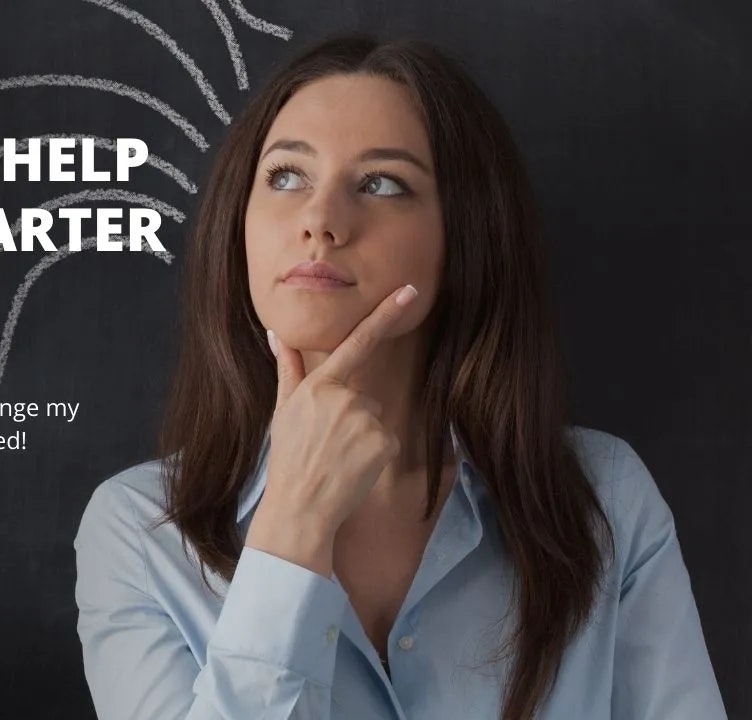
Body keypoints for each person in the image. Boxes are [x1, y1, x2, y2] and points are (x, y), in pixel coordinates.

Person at [72, 34, 726, 719]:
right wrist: (291, 529)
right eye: (287, 176)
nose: (320, 222)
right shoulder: (137, 532)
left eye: (382, 183)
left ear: (465, 237)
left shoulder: (606, 500)